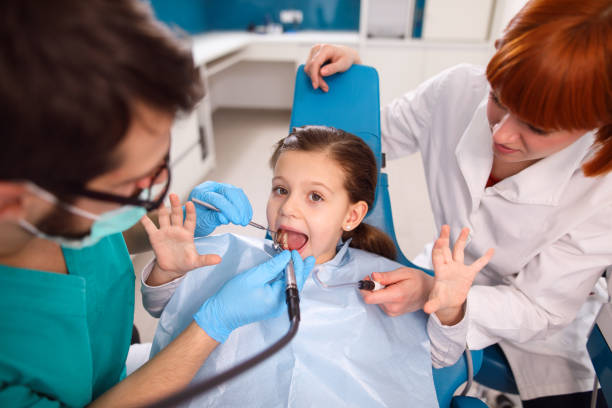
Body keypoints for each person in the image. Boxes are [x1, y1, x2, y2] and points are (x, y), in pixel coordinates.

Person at [0, 1, 313, 406]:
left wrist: (182, 219)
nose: (155, 194)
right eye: (131, 184)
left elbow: (93, 234)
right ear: (14, 202)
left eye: (158, 167)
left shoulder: (57, 210)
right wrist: (212, 326)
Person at [303, 0, 612, 406]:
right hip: (439, 272)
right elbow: (367, 142)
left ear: (598, 123)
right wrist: (352, 87)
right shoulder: (458, 90)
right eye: (499, 99)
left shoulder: (601, 190)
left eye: (536, 127)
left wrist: (440, 292)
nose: (502, 134)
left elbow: (538, 308)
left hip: (531, 329)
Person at [145, 126, 493, 407]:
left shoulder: (381, 280)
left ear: (352, 215)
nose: (288, 209)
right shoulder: (231, 254)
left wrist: (449, 311)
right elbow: (163, 308)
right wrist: (170, 271)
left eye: (315, 197)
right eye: (281, 190)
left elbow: (439, 356)